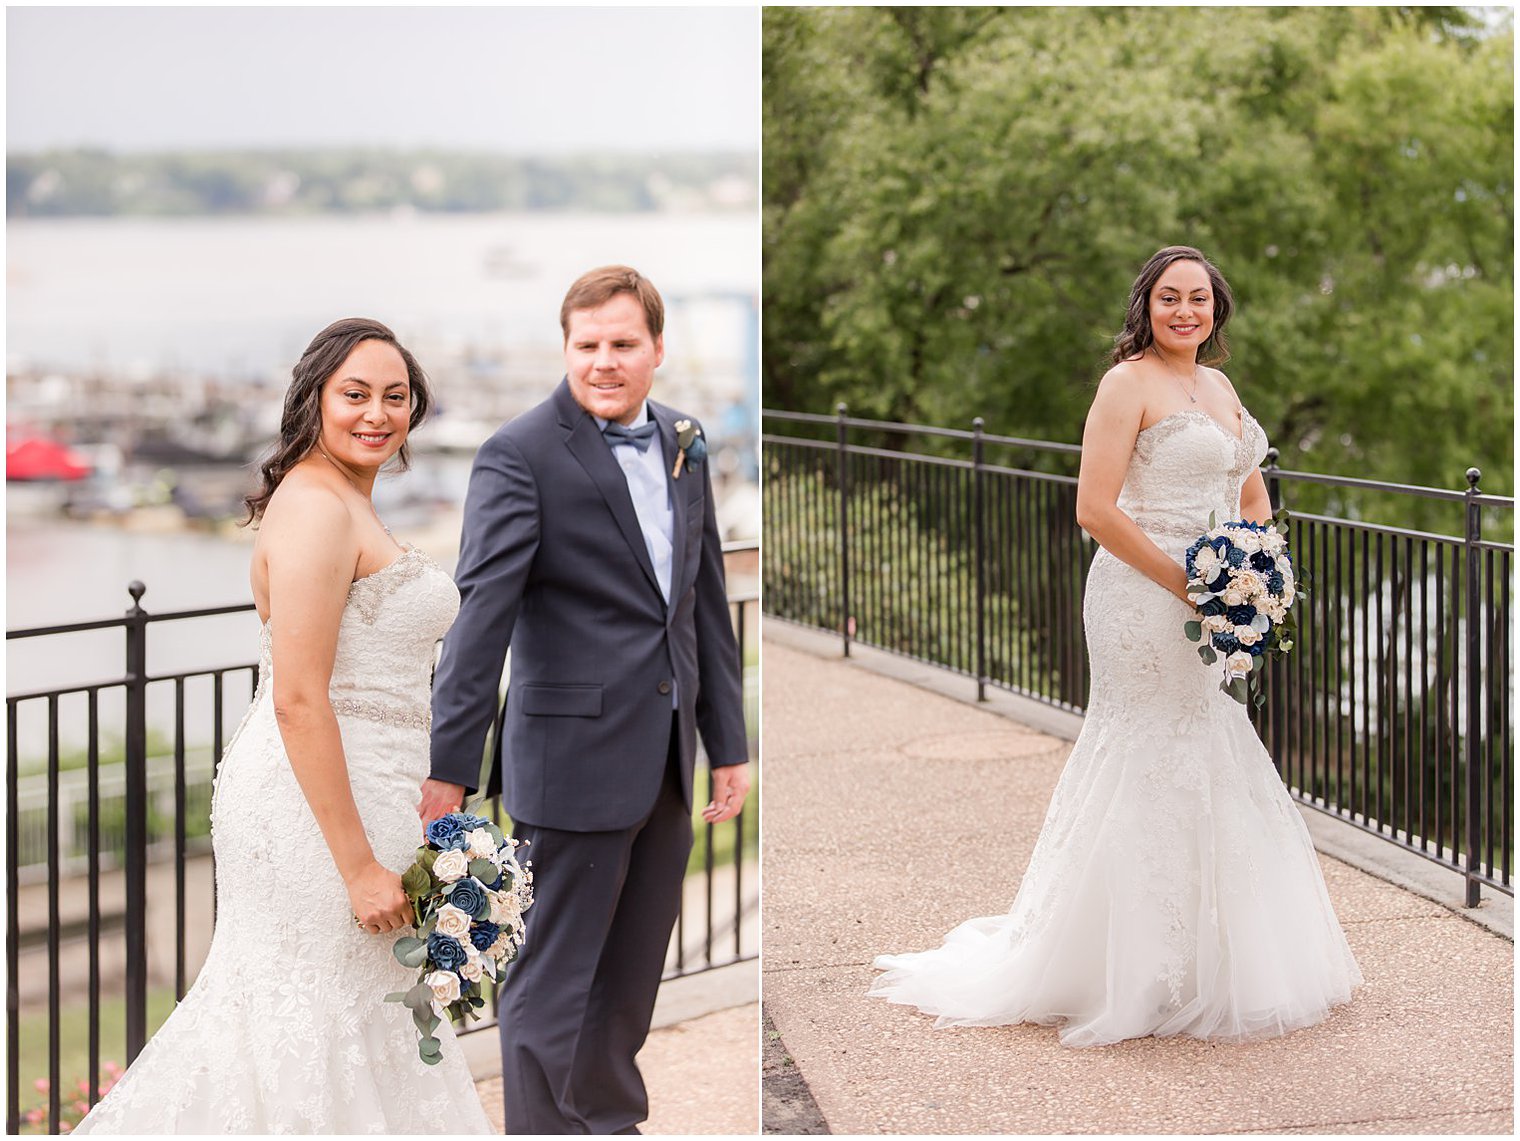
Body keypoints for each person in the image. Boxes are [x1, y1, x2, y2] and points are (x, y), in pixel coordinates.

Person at [870, 246, 1362, 1046]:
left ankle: (1211, 957)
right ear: (1148, 304)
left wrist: (1258, 567)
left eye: (1198, 299)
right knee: (1147, 747)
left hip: (1208, 594)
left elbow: (1248, 482)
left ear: (1216, 309)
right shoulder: (1125, 383)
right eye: (1169, 298)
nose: (1184, 311)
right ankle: (1131, 965)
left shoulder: (1220, 385)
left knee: (1203, 745)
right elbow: (1095, 509)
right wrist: (1190, 584)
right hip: (1141, 594)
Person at [75, 319, 493, 1133]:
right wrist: (359, 865)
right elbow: (299, 698)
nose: (377, 413)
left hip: (372, 790)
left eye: (396, 396)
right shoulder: (312, 506)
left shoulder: (345, 498)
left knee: (356, 1022)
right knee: (300, 1025)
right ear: (314, 400)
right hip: (315, 818)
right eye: (356, 394)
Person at [424, 265, 750, 1133]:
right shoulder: (518, 454)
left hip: (668, 760)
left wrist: (730, 740)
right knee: (552, 980)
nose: (604, 362)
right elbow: (478, 621)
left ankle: (611, 1123)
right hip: (569, 765)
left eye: (622, 344)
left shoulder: (685, 439)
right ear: (566, 347)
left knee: (631, 977)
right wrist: (448, 769)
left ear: (657, 349)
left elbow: (702, 601)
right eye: (587, 345)